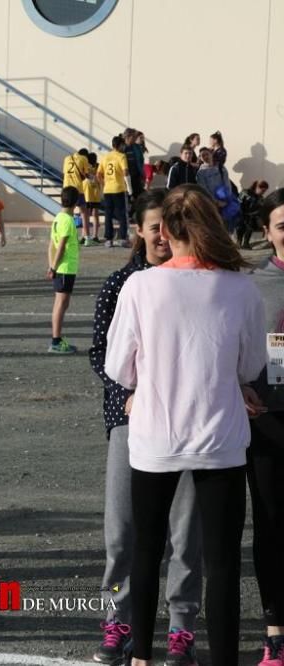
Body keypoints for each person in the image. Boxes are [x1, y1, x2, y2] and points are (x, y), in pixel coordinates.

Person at [105, 184, 266, 666]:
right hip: (220, 438)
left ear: (168, 231)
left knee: (146, 550)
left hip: (156, 436)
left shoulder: (141, 286)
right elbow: (251, 365)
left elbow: (119, 367)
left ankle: (140, 658)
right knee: (221, 564)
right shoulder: (241, 287)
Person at [87, 189, 202, 665]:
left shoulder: (199, 282)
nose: (161, 235)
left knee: (184, 533)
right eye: (153, 226)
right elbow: (102, 354)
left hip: (188, 424)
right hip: (130, 424)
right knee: (122, 533)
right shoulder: (120, 284)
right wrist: (129, 395)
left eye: (168, 226)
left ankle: (180, 628)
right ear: (139, 230)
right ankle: (119, 622)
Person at [248, 189, 284, 666]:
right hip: (271, 420)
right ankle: (275, 628)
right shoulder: (252, 285)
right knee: (272, 525)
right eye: (282, 224)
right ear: (267, 232)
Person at [48, 186, 80, 354]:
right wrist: (54, 266)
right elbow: (59, 246)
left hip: (63, 267)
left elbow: (51, 245)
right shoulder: (67, 220)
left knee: (63, 303)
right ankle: (56, 340)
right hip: (65, 267)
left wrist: (51, 264)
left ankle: (57, 338)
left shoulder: (58, 218)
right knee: (60, 304)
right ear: (76, 202)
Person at [98, 136, 132, 248]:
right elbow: (126, 172)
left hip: (107, 190)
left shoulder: (105, 157)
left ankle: (108, 239)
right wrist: (130, 188)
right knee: (122, 214)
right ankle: (123, 238)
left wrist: (105, 184)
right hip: (119, 189)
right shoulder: (122, 156)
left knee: (108, 214)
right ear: (121, 145)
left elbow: (99, 174)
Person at [63, 148, 90, 229]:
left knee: (67, 212)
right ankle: (86, 237)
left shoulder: (67, 158)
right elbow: (86, 174)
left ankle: (66, 231)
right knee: (84, 212)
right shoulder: (84, 158)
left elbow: (64, 173)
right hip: (77, 188)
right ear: (85, 155)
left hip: (66, 188)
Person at [237, 180, 269, 249]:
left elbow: (262, 207)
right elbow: (239, 202)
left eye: (264, 191)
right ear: (257, 187)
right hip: (241, 213)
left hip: (251, 216)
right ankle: (238, 242)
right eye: (262, 190)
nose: (263, 193)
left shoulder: (260, 198)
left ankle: (246, 243)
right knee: (240, 228)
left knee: (249, 229)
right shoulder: (245, 192)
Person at [83, 152, 103, 245]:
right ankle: (94, 236)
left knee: (86, 215)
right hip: (93, 194)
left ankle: (87, 236)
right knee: (93, 215)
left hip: (89, 194)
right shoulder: (96, 166)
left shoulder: (87, 167)